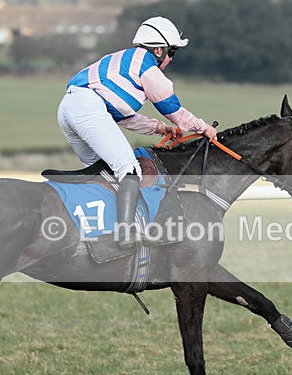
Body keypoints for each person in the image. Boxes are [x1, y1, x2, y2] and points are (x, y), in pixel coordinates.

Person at [57, 16, 218, 248]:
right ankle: (126, 234)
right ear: (160, 50)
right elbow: (173, 110)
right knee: (129, 169)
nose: (171, 59)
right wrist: (204, 128)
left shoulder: (123, 59)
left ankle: (96, 226)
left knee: (105, 172)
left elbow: (123, 117)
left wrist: (159, 129)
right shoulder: (148, 68)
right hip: (86, 109)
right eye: (172, 52)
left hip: (68, 109)